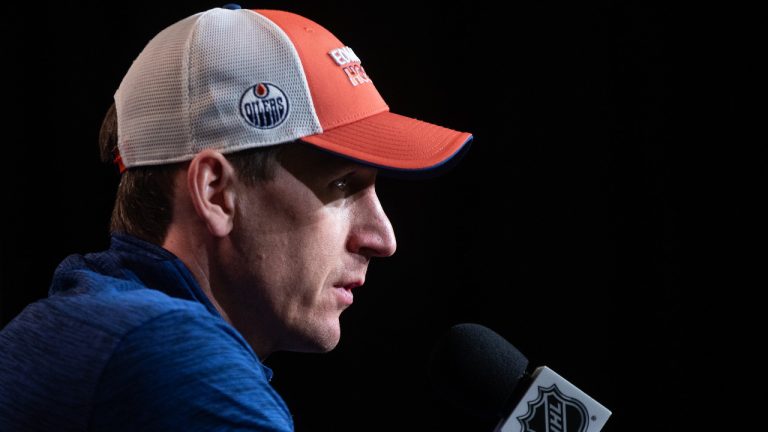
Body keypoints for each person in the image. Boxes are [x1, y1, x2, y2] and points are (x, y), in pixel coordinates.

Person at [0, 5, 472, 431]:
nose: (383, 238)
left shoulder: (89, 322)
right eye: (344, 185)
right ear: (215, 192)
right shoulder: (171, 357)